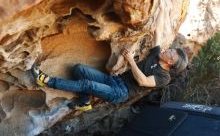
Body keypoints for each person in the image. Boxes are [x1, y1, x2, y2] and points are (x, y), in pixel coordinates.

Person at [31, 46, 188, 112]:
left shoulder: (164, 77)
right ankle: (85, 102)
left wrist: (130, 60)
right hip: (114, 80)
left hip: (120, 92)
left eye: (171, 52)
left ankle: (47, 81)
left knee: (87, 84)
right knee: (78, 69)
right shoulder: (157, 53)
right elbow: (158, 30)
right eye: (172, 49)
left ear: (170, 62)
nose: (168, 50)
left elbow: (143, 82)